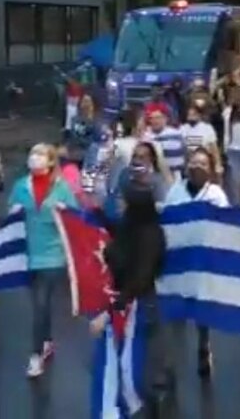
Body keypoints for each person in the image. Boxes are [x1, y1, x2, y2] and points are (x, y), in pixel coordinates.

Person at [90, 141, 171, 414]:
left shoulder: (149, 235)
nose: (119, 203)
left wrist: (109, 311)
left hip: (140, 309)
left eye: (124, 199)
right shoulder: (129, 228)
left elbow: (141, 277)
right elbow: (115, 241)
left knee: (137, 375)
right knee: (125, 372)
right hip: (128, 308)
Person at [161, 148, 227, 419]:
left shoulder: (216, 195)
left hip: (203, 262)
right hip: (178, 260)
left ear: (210, 169)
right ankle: (171, 365)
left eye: (203, 163)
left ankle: (203, 345)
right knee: (175, 313)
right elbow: (166, 219)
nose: (197, 166)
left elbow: (225, 224)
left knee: (201, 311)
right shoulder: (175, 191)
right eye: (193, 162)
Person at [8, 144, 80, 378]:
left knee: (40, 304)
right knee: (41, 305)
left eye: (40, 155)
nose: (34, 158)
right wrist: (14, 212)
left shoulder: (61, 187)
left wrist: (66, 211)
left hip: (53, 256)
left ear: (50, 162)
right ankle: (47, 340)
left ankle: (35, 355)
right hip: (27, 255)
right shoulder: (21, 186)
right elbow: (9, 221)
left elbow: (77, 218)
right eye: (32, 153)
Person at [142, 103, 187, 179]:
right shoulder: (146, 137)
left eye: (158, 118)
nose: (155, 121)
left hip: (177, 175)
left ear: (165, 119)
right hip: (156, 176)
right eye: (152, 118)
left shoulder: (177, 134)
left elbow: (185, 152)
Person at [180, 102, 222, 173]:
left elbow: (214, 148)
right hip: (189, 164)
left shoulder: (207, 128)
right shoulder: (183, 128)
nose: (191, 117)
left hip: (205, 164)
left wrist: (218, 164)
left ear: (199, 115)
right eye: (189, 115)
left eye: (193, 114)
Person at [64, 94, 102, 166]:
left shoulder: (95, 122)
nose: (85, 104)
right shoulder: (74, 119)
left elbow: (95, 139)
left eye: (88, 102)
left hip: (87, 152)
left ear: (92, 105)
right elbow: (72, 135)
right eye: (84, 102)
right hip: (74, 150)